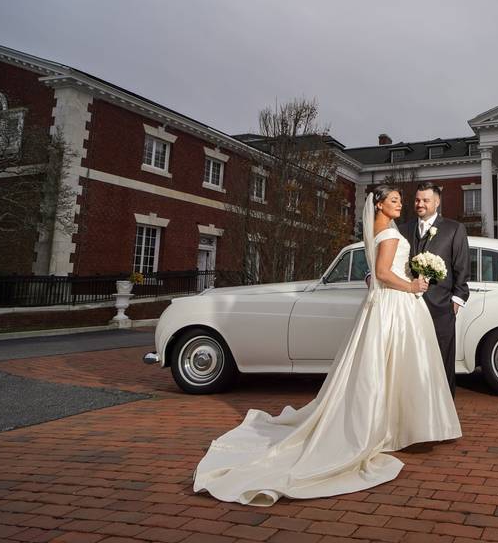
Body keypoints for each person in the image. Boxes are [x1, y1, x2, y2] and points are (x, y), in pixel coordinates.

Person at [192, 186, 461, 506]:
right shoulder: (389, 233)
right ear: (379, 205)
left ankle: (389, 424)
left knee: (380, 366)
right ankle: (393, 426)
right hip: (396, 303)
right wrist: (412, 285)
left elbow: (374, 275)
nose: (401, 205)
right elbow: (381, 272)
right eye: (394, 201)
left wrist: (392, 280)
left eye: (402, 201)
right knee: (397, 365)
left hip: (385, 304)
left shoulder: (380, 229)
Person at [400, 183, 470, 397]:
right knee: (412, 359)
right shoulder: (403, 229)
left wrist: (456, 302)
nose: (420, 204)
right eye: (417, 200)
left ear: (437, 202)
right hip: (408, 306)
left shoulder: (454, 229)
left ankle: (445, 404)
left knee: (442, 359)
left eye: (425, 200)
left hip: (441, 307)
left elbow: (462, 268)